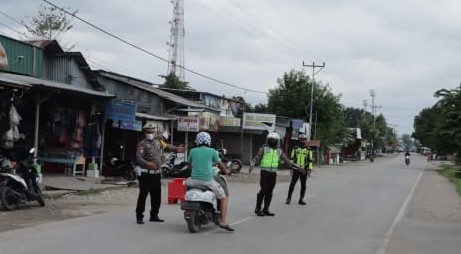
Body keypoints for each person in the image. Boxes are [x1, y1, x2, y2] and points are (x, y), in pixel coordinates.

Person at [135, 123, 184, 225]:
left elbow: (167, 145)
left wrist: (176, 148)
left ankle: (154, 215)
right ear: (145, 133)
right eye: (148, 132)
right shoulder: (142, 144)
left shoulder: (158, 142)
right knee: (143, 195)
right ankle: (139, 216)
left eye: (152, 132)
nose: (150, 134)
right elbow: (139, 158)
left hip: (156, 173)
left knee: (156, 196)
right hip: (146, 174)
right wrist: (147, 163)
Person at [186, 132, 234, 231]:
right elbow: (220, 165)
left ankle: (186, 201)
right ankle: (223, 221)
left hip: (193, 180)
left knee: (186, 184)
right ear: (209, 141)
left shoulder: (192, 151)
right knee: (223, 197)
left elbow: (189, 165)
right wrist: (227, 171)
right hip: (207, 181)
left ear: (197, 141)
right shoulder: (212, 151)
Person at [249, 132, 292, 217]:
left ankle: (266, 209)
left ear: (277, 141)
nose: (272, 141)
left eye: (274, 140)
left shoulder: (279, 150)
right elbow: (257, 157)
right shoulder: (264, 148)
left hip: (273, 173)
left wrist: (291, 165)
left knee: (270, 191)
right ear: (268, 140)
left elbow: (285, 159)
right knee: (263, 190)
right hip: (264, 172)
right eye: (270, 140)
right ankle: (258, 209)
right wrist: (252, 164)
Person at [285, 133, 312, 205]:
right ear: (299, 140)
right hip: (296, 168)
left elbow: (310, 161)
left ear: (306, 140)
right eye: (301, 139)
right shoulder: (295, 148)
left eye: (304, 140)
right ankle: (288, 198)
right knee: (292, 184)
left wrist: (309, 170)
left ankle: (301, 199)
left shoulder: (308, 150)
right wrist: (291, 168)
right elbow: (292, 159)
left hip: (304, 169)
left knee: (303, 185)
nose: (302, 141)